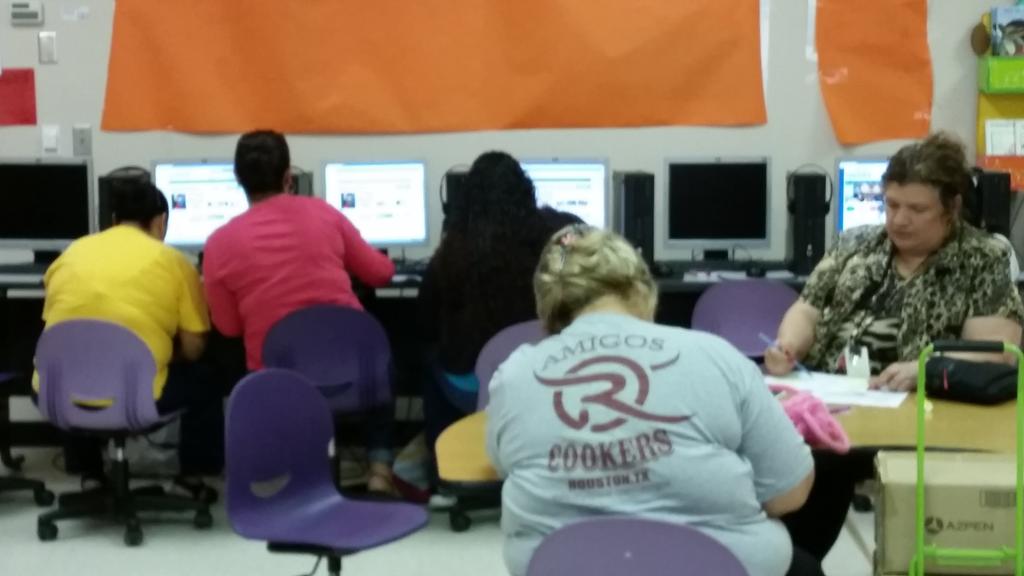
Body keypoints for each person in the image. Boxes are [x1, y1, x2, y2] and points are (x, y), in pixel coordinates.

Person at [486, 225, 821, 576]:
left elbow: (503, 464)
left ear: (548, 305)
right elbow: (791, 491)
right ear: (640, 287)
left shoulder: (514, 376)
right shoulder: (717, 357)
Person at [764, 132, 1024, 559]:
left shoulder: (983, 259)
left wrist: (924, 367)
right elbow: (807, 309)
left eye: (917, 209)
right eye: (891, 205)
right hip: (837, 399)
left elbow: (994, 350)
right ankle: (791, 561)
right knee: (791, 465)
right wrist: (787, 345)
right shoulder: (854, 245)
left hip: (922, 411)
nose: (899, 220)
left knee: (829, 466)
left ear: (951, 208)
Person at [203, 130, 397, 494]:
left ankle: (285, 469)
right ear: (288, 176)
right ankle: (380, 471)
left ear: (238, 181)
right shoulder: (324, 213)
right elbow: (380, 273)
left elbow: (227, 327)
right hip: (351, 369)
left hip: (278, 376)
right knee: (382, 352)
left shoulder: (219, 244)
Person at [40, 179, 222, 496]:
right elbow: (193, 349)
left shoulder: (69, 255)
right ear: (160, 221)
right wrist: (158, 354)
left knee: (75, 366)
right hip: (136, 396)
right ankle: (190, 479)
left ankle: (91, 475)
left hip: (59, 395)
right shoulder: (175, 263)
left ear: (112, 221)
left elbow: (58, 333)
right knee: (205, 377)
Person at [417, 151, 581, 471]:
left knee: (428, 359)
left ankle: (442, 465)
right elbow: (582, 233)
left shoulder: (451, 253)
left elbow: (425, 319)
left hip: (474, 387)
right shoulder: (551, 243)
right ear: (526, 191)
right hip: (540, 377)